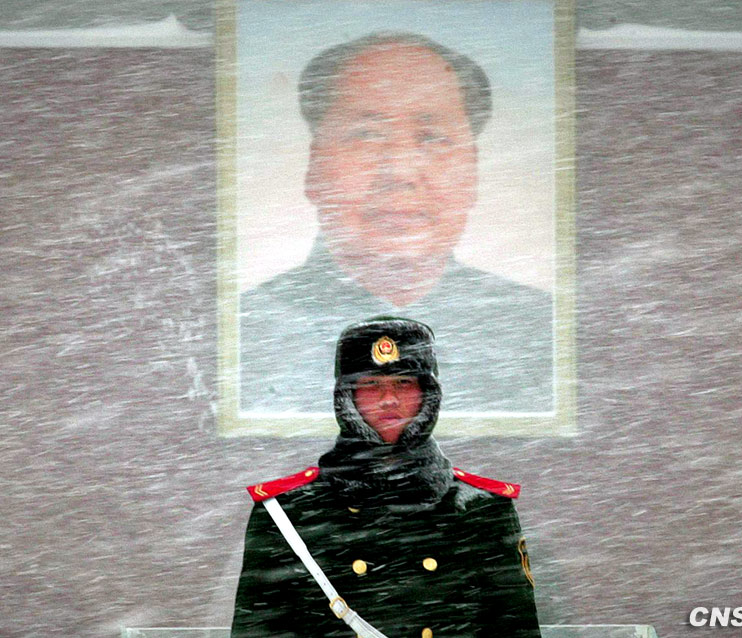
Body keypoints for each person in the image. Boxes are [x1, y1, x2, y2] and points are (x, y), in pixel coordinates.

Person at [239, 32, 553, 414]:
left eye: (433, 138)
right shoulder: (243, 332)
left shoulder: (542, 329)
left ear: (472, 172)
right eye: (366, 135)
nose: (400, 172)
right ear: (314, 167)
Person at [231, 317, 541, 638]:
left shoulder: (482, 510)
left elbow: (515, 631)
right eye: (372, 384)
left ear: (427, 395)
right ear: (347, 398)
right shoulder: (287, 513)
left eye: (404, 383)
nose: (389, 399)